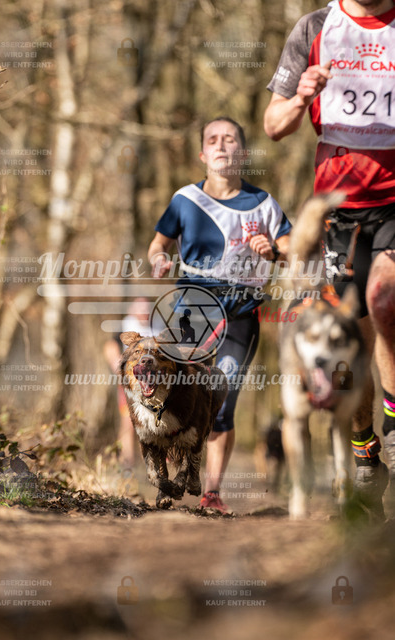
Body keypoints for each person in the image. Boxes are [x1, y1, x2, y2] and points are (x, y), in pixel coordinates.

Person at [264, 0, 395, 516]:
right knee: (352, 337)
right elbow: (274, 125)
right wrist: (302, 97)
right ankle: (365, 450)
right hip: (340, 211)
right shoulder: (315, 28)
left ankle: (392, 432)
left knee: (385, 300)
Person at [147, 117, 291, 513]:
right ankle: (170, 477)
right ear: (202, 154)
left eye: (230, 139)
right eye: (213, 139)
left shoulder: (263, 204)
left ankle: (211, 492)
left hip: (240, 314)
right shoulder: (185, 199)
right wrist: (159, 260)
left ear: (242, 153)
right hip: (192, 311)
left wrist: (274, 251)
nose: (222, 145)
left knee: (222, 401)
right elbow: (157, 244)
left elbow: (293, 248)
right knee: (175, 394)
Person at [103, 297, 152, 471]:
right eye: (141, 308)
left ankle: (152, 468)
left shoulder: (157, 327)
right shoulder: (125, 326)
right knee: (129, 423)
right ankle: (126, 467)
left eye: (147, 309)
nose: (144, 312)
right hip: (130, 384)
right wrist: (120, 369)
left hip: (153, 384)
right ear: (132, 309)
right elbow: (110, 347)